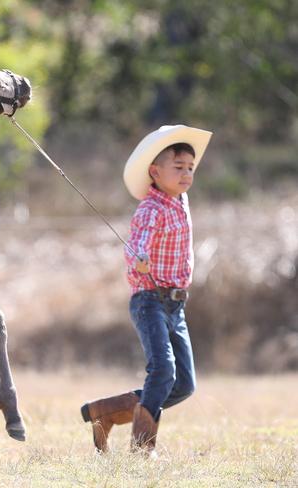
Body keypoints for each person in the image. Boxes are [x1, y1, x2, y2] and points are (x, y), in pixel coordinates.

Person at [80, 125, 212, 457]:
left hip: (176, 306)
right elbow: (137, 243)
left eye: (190, 168)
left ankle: (106, 412)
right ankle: (142, 447)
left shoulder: (181, 200)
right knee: (162, 371)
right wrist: (139, 257)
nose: (186, 175)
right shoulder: (151, 208)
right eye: (177, 167)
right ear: (155, 171)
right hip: (149, 300)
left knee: (184, 384)